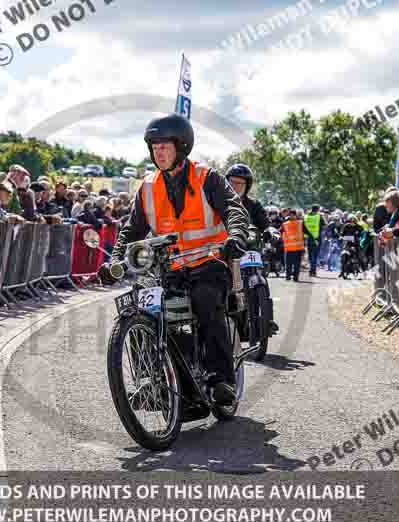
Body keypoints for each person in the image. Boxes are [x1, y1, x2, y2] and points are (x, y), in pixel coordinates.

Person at [99, 114, 249, 405]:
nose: (159, 153)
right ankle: (153, 383)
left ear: (182, 147)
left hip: (210, 262)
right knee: (141, 304)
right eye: (154, 148)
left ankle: (221, 379)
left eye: (164, 147)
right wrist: (114, 261)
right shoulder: (148, 186)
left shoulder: (207, 177)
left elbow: (233, 209)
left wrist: (236, 236)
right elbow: (131, 230)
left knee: (205, 299)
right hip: (169, 269)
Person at [225, 163, 270, 235]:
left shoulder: (254, 205)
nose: (233, 186)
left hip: (247, 244)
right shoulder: (217, 201)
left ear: (247, 186)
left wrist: (271, 231)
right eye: (232, 181)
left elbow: (265, 225)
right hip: (221, 244)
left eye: (238, 183)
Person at [281, 209, 305, 281]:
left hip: (297, 248)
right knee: (289, 264)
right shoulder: (285, 224)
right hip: (290, 248)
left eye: (293, 215)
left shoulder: (300, 223)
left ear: (295, 215)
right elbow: (281, 231)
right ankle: (288, 277)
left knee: (296, 264)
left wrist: (313, 238)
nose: (291, 216)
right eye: (290, 215)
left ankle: (295, 277)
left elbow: (306, 231)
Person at [303, 205, 325, 277]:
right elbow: (325, 225)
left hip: (308, 239)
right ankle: (313, 271)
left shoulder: (306, 216)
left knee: (310, 256)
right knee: (315, 256)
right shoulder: (319, 217)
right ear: (318, 210)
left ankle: (311, 270)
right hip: (317, 238)